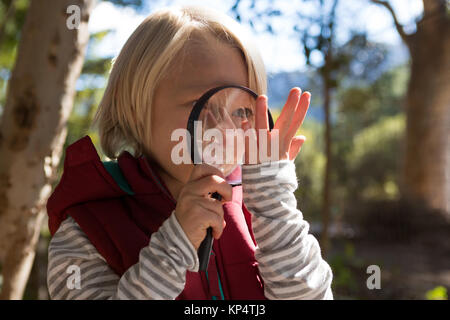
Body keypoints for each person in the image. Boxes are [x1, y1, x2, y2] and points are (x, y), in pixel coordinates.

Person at [46, 5, 333, 300]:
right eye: (201, 104)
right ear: (135, 108)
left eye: (241, 110)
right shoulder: (89, 226)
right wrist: (176, 244)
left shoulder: (259, 206)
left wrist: (274, 206)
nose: (222, 127)